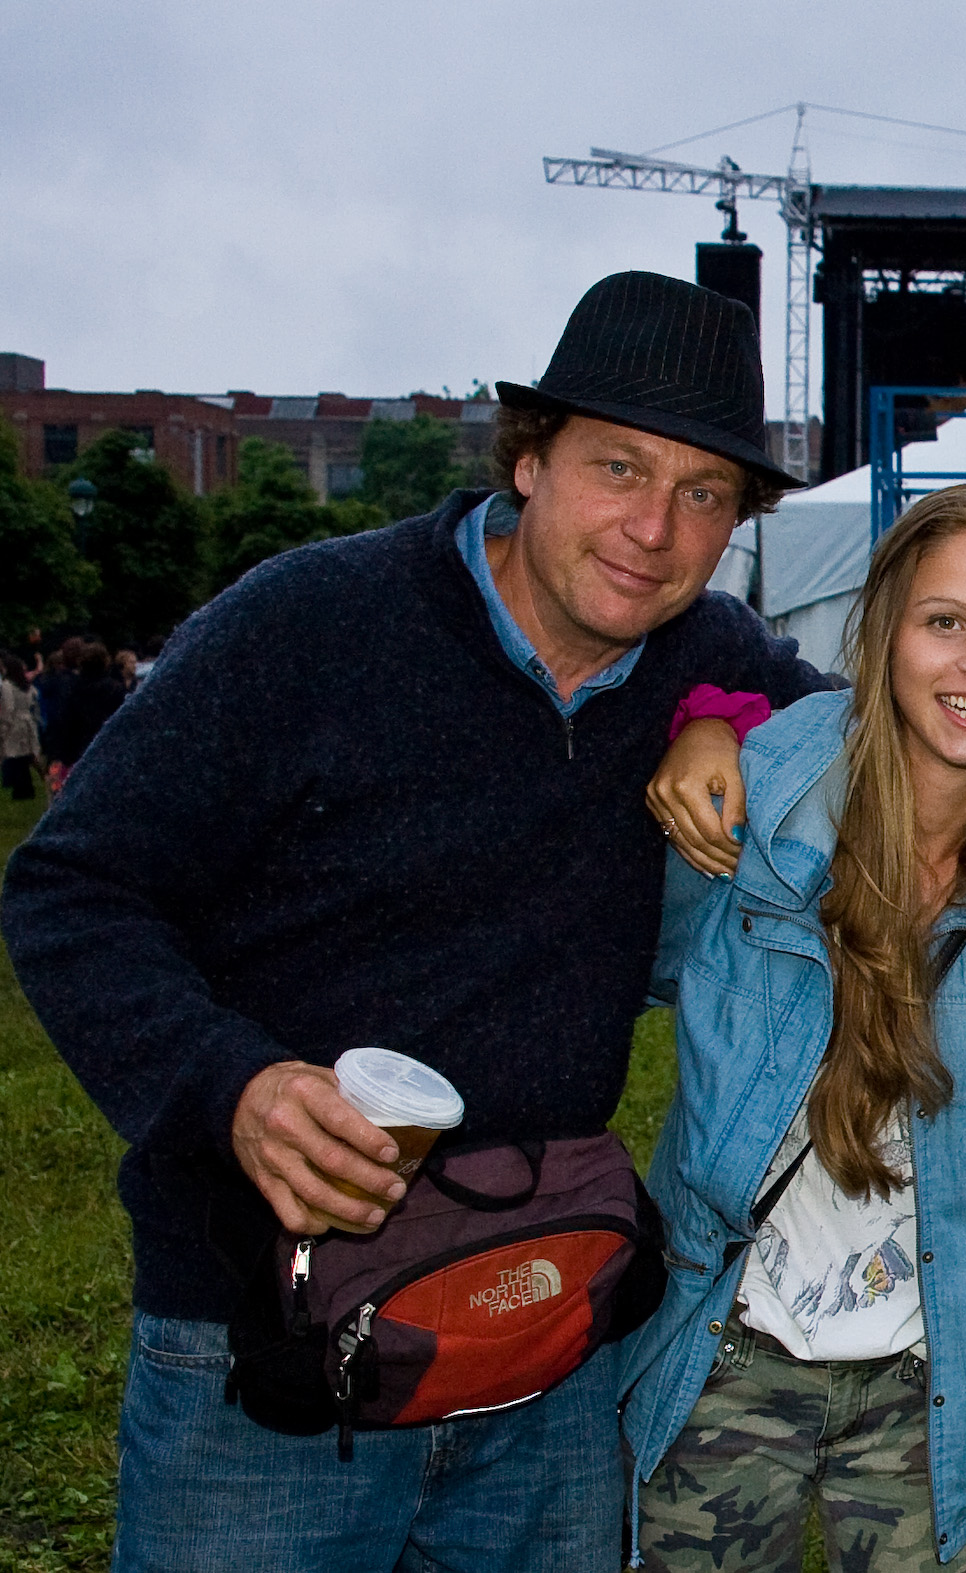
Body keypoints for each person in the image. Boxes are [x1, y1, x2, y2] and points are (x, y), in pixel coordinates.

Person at [0, 270, 835, 1572]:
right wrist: (233, 1087)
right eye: (618, 467)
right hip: (267, 1338)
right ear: (529, 455)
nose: (654, 529)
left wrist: (723, 706)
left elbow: (879, 751)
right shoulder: (310, 623)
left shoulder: (697, 649)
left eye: (705, 494)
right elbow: (73, 885)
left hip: (543, 1322)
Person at [622, 483, 966, 1572]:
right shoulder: (758, 801)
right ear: (885, 632)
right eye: (945, 622)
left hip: (929, 1382)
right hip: (726, 1355)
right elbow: (628, 966)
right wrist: (707, 717)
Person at [41, 641, 126, 772]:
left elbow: (64, 720)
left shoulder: (72, 688)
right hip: (108, 744)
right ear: (106, 661)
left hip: (79, 746)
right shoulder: (115, 688)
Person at [0, 653, 39, 801]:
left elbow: (8, 707)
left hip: (14, 723)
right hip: (27, 722)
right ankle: (27, 789)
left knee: (15, 756)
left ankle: (20, 791)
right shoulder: (26, 685)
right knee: (25, 757)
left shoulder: (7, 686)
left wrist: (3, 726)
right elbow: (34, 701)